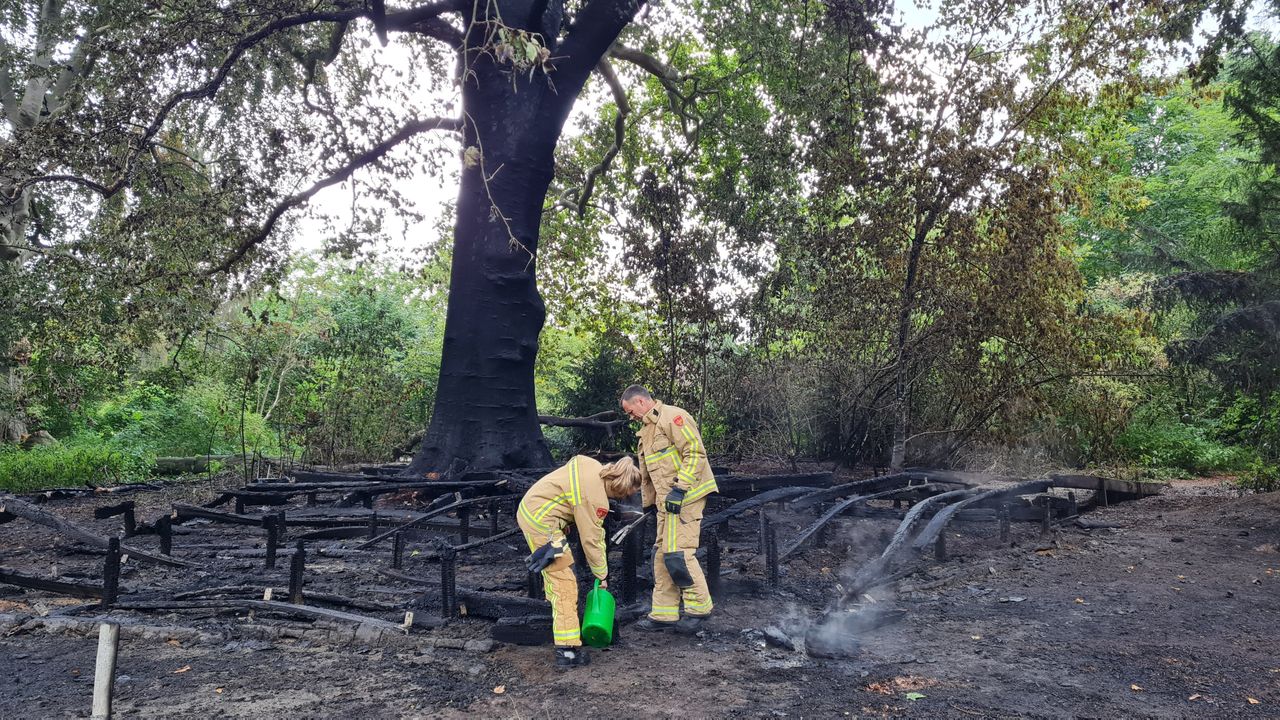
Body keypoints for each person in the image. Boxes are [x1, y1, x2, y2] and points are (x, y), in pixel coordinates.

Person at [518, 454, 641, 668]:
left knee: (559, 575)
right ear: (619, 487)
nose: (622, 500)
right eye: (624, 495)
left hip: (533, 511)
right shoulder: (594, 499)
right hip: (542, 524)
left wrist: (564, 516)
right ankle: (567, 651)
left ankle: (558, 616)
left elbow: (568, 491)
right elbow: (592, 540)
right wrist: (602, 575)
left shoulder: (592, 465)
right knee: (564, 584)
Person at [619, 385, 718, 634]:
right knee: (662, 555)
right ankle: (664, 613)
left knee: (680, 553)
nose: (631, 417)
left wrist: (680, 489)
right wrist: (651, 504)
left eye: (631, 411)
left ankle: (699, 610)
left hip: (685, 497)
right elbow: (651, 474)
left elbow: (695, 453)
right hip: (668, 502)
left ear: (641, 402)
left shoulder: (674, 417)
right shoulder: (647, 431)